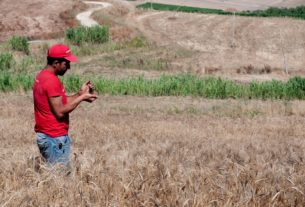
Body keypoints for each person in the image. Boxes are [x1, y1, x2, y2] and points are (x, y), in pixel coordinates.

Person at [33, 43, 97, 166]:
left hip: (49, 137)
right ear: (56, 63)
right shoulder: (51, 81)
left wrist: (79, 94)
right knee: (59, 179)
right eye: (66, 63)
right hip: (54, 138)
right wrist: (83, 97)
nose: (68, 67)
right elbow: (60, 111)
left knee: (55, 178)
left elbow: (59, 102)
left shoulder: (43, 76)